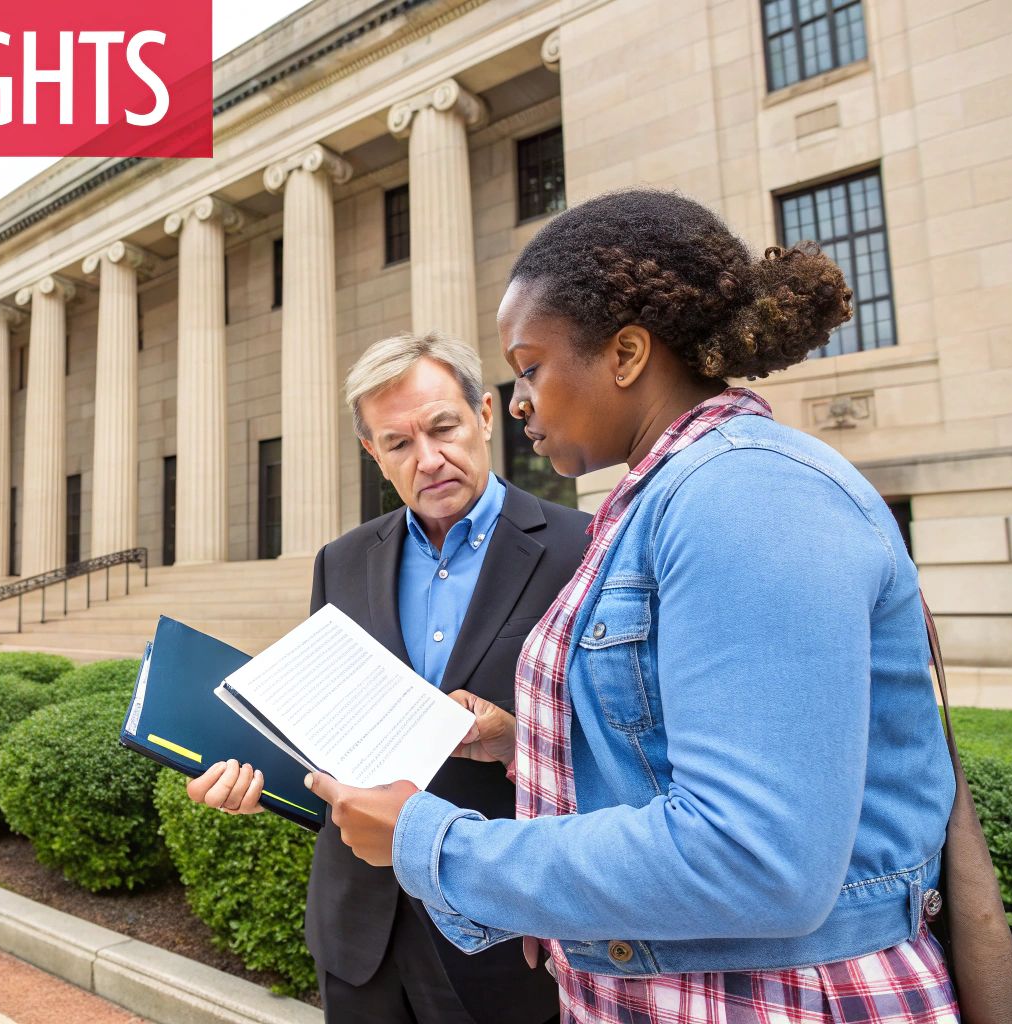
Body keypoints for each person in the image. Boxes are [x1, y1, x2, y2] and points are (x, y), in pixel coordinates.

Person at [306, 189, 958, 1023]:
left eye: (530, 366)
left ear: (624, 354)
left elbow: (756, 857)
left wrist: (437, 844)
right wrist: (520, 742)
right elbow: (665, 754)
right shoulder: (662, 499)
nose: (518, 402)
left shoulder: (748, 494)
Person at [189, 331, 590, 1023]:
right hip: (359, 931)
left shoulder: (580, 548)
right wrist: (256, 782)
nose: (429, 459)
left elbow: (620, 752)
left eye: (443, 427)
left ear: (485, 417)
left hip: (504, 933)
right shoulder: (340, 562)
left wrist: (517, 737)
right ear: (373, 454)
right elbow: (325, 742)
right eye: (398, 443)